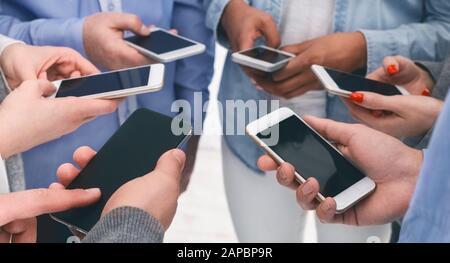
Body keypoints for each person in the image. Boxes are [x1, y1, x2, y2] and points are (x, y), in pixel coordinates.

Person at [206, 0, 450, 242]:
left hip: (375, 146)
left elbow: (445, 25)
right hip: (254, 116)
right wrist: (229, 9)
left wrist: (362, 48)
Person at [0, 0, 215, 189]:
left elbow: (191, 13)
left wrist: (191, 127)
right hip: (45, 163)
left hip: (159, 141)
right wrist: (77, 37)